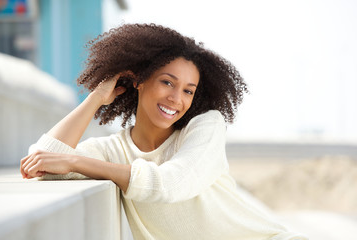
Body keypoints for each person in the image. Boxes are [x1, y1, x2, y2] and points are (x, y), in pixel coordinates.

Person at [20, 23, 307, 240]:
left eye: (188, 91)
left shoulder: (204, 127)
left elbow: (170, 184)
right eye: (167, 83)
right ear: (139, 81)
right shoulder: (112, 151)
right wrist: (95, 97)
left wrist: (76, 161)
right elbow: (41, 163)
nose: (176, 99)